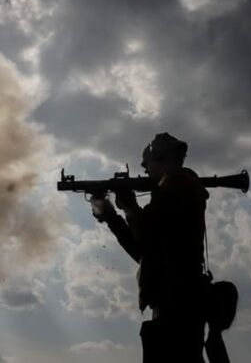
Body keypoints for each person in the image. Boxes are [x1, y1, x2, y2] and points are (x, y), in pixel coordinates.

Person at [90, 132, 213, 363]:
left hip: (177, 303)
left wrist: (129, 207)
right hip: (173, 302)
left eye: (147, 164)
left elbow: (146, 233)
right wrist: (111, 216)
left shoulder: (178, 184)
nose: (145, 170)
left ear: (162, 159)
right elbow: (146, 252)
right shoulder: (173, 187)